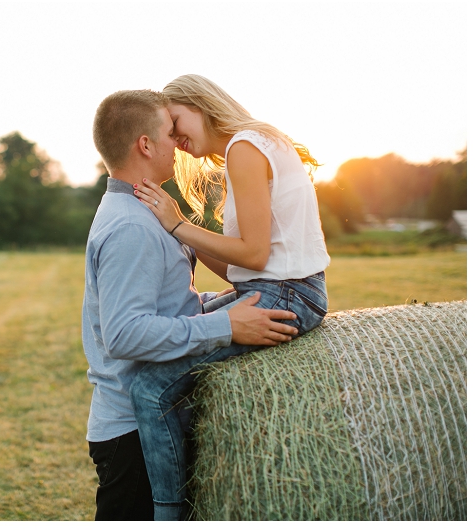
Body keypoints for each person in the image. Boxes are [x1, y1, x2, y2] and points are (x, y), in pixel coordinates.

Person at [83, 88, 301, 520]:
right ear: (145, 145)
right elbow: (125, 333)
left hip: (147, 425)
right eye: (170, 132)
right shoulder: (131, 226)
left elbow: (162, 302)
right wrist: (227, 327)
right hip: (132, 433)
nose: (178, 142)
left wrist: (219, 302)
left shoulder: (144, 210)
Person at [129, 74, 331, 520]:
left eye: (176, 121)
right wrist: (185, 239)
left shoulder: (244, 147)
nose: (176, 138)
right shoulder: (256, 142)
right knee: (188, 318)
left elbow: (255, 255)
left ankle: (170, 514)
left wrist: (177, 223)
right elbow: (245, 269)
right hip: (283, 288)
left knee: (149, 388)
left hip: (288, 295)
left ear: (198, 104)